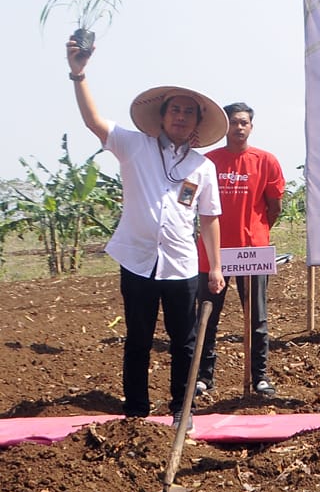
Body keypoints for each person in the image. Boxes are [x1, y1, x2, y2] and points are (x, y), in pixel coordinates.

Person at [65, 39, 227, 426]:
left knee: (184, 342)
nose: (181, 117)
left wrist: (216, 267)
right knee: (138, 339)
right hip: (138, 260)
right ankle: (135, 410)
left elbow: (209, 218)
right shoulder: (133, 145)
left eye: (189, 112)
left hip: (181, 266)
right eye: (176, 110)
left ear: (197, 122)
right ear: (162, 115)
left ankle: (180, 410)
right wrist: (78, 72)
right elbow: (93, 121)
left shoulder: (202, 166)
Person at [194, 103, 286, 397]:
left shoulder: (266, 161)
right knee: (207, 317)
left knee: (256, 318)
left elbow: (275, 207)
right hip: (213, 254)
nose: (239, 128)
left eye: (244, 122)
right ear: (225, 126)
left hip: (252, 252)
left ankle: (259, 376)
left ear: (251, 126)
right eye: (234, 122)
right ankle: (204, 378)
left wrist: (257, 230)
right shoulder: (207, 162)